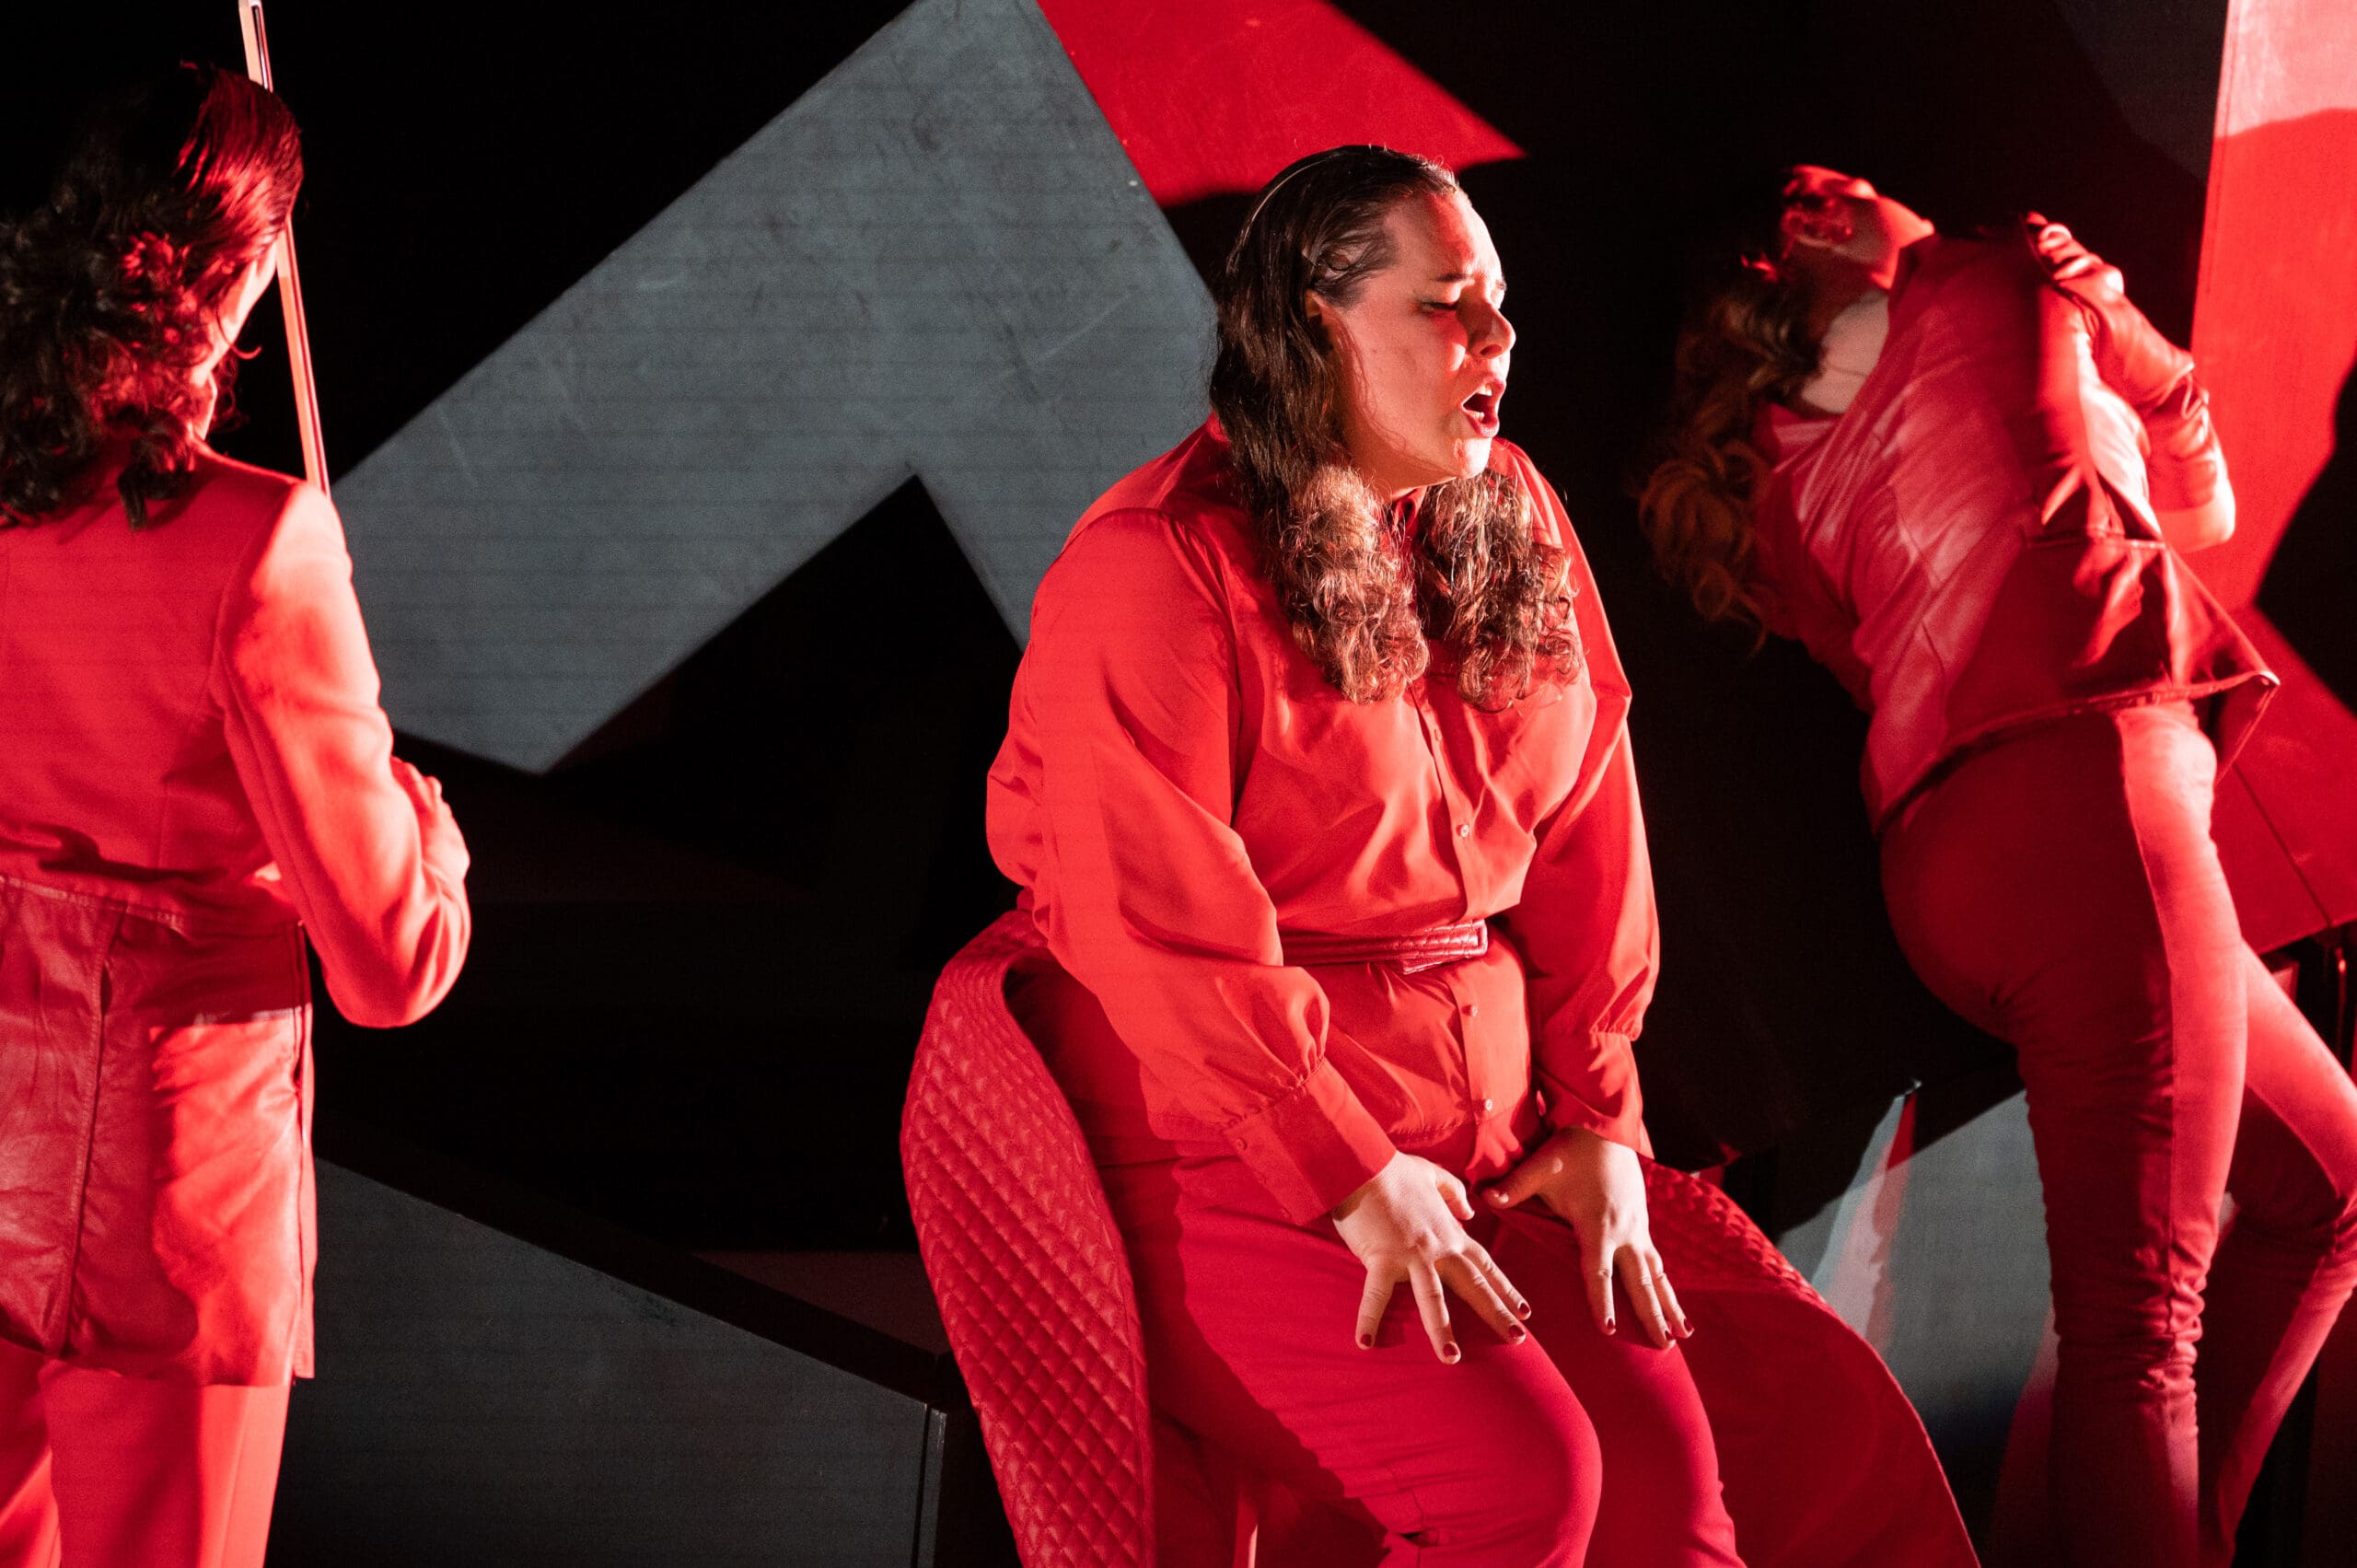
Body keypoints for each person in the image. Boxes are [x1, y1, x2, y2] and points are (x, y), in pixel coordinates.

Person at [987, 145, 1744, 1567]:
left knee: (1670, 1497)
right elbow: (1156, 927)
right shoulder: (1157, 563)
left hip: (1494, 1140)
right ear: (1318, 325)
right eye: (1448, 305)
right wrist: (1342, 1171)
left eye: (1499, 301)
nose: (1498, 337)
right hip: (1232, 1158)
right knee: (1525, 1491)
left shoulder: (1514, 508)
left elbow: (1592, 829)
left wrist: (1602, 1119)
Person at [1641, 165, 2357, 1568]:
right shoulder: (1993, 276)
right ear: (1818, 222)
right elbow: (2201, 504)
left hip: (1955, 871)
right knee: (2139, 1330)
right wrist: (2105, 300)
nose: (1892, 195)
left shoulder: (1776, 477)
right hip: (2094, 802)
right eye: (1859, 184)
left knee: (2327, 1192)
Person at [0, 65, 470, 1567]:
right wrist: (427, 829)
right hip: (165, 1203)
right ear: (250, 269)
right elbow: (390, 967)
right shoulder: (263, 541)